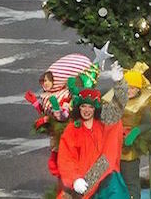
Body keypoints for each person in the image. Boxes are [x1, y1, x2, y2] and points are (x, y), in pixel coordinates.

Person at [57, 63, 129, 199]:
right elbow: (66, 159)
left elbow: (118, 107)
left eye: (90, 107)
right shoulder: (72, 129)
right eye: (83, 106)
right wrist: (75, 179)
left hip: (105, 177)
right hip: (82, 181)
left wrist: (120, 84)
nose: (86, 110)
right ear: (78, 108)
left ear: (95, 108)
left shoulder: (104, 123)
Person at [118, 65, 151, 199]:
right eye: (127, 87)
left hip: (130, 150)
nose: (129, 91)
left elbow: (147, 123)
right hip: (114, 146)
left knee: (130, 181)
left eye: (132, 88)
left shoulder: (142, 104)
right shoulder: (117, 100)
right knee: (115, 181)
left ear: (138, 89)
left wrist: (135, 132)